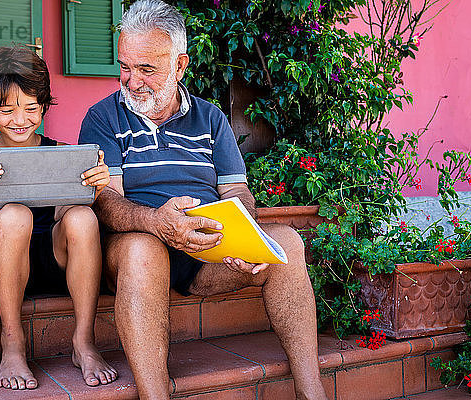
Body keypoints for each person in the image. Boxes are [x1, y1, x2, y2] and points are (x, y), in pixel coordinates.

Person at [78, 1, 328, 399]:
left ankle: (310, 391)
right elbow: (106, 202)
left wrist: (244, 234)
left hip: (206, 254)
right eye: (125, 66)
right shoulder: (102, 118)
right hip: (135, 248)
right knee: (144, 250)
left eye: (147, 69)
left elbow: (237, 192)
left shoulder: (211, 118)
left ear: (180, 66)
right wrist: (158, 223)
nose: (132, 81)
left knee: (289, 244)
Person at [0, 45, 117, 391]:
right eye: (6, 110)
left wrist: (94, 186)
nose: (19, 120)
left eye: (31, 108)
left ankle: (84, 341)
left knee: (82, 217)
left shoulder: (63, 152)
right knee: (15, 214)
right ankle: (13, 342)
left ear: (44, 106)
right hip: (4, 259)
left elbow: (75, 210)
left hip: (56, 256)